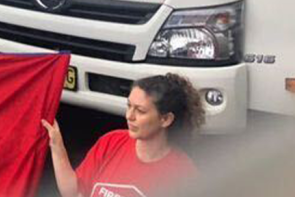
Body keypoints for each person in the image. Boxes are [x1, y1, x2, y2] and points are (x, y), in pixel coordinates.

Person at [42, 73, 204, 197]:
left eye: (140, 111)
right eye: (129, 106)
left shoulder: (183, 174)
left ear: (165, 119)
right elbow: (74, 192)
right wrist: (57, 146)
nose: (129, 116)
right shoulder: (111, 141)